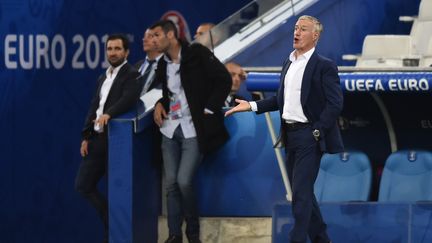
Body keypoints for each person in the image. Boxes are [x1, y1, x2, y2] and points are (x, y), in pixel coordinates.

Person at [225, 15, 343, 243]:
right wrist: (250, 105)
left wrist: (317, 130)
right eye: (296, 28)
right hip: (289, 136)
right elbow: (281, 100)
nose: (296, 32)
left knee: (299, 194)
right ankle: (322, 240)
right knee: (304, 193)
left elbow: (335, 103)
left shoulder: (324, 66)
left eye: (303, 29)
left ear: (315, 36)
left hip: (310, 136)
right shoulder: (288, 63)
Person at [150, 20, 231, 243]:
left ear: (171, 35)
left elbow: (223, 79)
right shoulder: (162, 64)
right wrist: (159, 103)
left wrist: (208, 108)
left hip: (194, 130)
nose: (153, 40)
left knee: (184, 181)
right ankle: (174, 235)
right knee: (171, 184)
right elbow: (171, 95)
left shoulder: (196, 53)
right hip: (169, 130)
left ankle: (192, 233)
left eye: (157, 35)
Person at [75, 34, 140, 243]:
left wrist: (110, 113)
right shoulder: (102, 77)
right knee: (82, 185)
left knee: (116, 193)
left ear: (127, 52)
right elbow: (94, 107)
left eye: (117, 49)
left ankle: (113, 235)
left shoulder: (131, 74)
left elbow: (129, 98)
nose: (112, 53)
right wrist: (86, 136)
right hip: (97, 140)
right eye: (109, 49)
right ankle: (109, 221)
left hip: (117, 141)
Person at [134, 28, 164, 112]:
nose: (145, 40)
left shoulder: (168, 65)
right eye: (144, 37)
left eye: (150, 36)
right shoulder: (136, 66)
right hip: (135, 114)